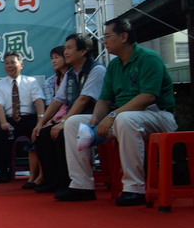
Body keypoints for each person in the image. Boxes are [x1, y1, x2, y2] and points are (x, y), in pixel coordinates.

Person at [56, 18, 177, 205]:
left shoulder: (148, 58)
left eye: (107, 36)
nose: (104, 40)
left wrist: (113, 115)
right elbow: (104, 99)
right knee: (73, 123)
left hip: (157, 114)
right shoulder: (114, 65)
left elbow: (148, 97)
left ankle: (134, 188)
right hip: (122, 117)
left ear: (124, 37)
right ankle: (81, 185)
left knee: (125, 119)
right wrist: (96, 118)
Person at [31, 35, 105, 193]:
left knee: (61, 133)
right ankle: (52, 181)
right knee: (42, 134)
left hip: (92, 117)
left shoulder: (96, 70)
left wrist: (63, 121)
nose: (65, 52)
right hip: (74, 118)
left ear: (83, 51)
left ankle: (68, 182)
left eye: (70, 48)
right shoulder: (71, 73)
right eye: (65, 48)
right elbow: (58, 100)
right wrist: (41, 122)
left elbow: (84, 99)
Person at [0, 51, 45, 182]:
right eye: (7, 63)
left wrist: (40, 122)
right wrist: (3, 122)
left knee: (41, 134)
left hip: (28, 118)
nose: (10, 66)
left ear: (21, 65)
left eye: (13, 63)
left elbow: (39, 101)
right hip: (9, 120)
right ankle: (4, 173)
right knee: (0, 134)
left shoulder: (31, 81)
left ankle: (40, 173)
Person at [22, 45, 69, 189]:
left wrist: (55, 121)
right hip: (57, 117)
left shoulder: (73, 75)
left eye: (57, 57)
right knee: (40, 133)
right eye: (52, 58)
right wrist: (44, 122)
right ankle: (48, 178)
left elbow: (73, 103)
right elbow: (54, 104)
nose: (54, 61)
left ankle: (62, 180)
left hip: (71, 116)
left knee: (53, 134)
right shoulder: (53, 80)